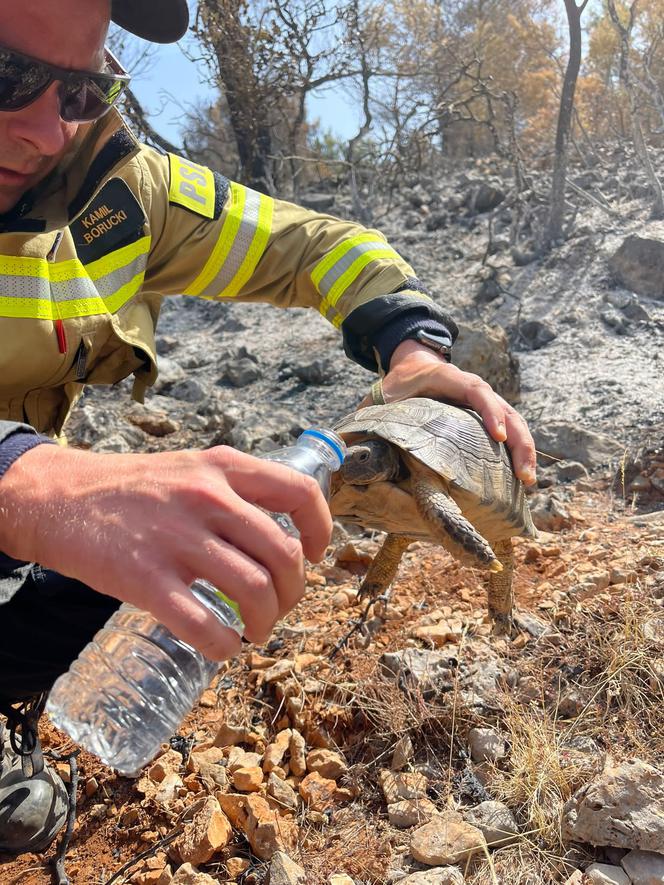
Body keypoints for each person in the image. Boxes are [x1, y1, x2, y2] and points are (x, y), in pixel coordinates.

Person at [0, 0, 536, 855]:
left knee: (188, 538)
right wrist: (31, 483)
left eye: (77, 93)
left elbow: (314, 244)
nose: (44, 132)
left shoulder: (118, 193)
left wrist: (408, 341)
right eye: (7, 76)